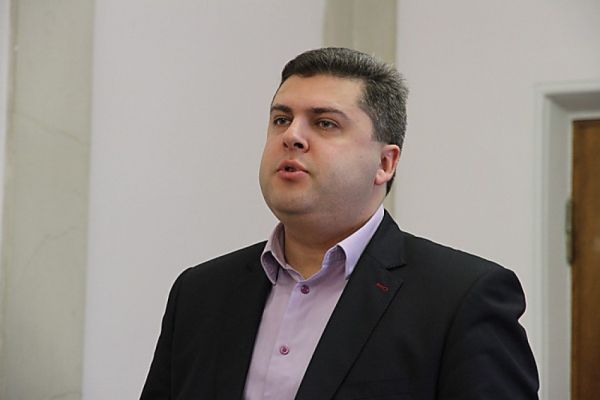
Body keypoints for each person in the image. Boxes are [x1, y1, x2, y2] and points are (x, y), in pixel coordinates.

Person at [140, 47, 539, 400]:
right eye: (281, 119)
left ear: (385, 163)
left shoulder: (460, 297)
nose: (292, 136)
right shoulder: (199, 293)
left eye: (325, 123)